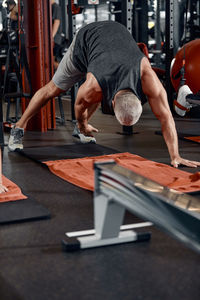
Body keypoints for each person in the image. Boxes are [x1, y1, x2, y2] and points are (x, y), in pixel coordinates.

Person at [8, 21, 200, 169]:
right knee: (52, 89)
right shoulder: (93, 86)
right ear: (113, 100)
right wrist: (82, 125)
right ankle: (18, 128)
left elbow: (167, 118)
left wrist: (175, 155)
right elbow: (79, 105)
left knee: (95, 94)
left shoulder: (150, 80)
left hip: (114, 37)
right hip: (86, 42)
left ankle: (82, 129)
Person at [51, 0, 62, 70]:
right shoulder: (52, 7)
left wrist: (51, 37)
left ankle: (66, 75)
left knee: (51, 62)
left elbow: (57, 22)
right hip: (54, 39)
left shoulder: (55, 7)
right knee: (51, 62)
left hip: (55, 39)